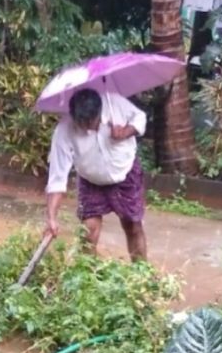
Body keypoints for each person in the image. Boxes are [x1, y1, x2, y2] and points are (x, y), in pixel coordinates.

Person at [44, 87, 148, 261]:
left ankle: (143, 276)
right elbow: (57, 177)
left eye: (90, 122)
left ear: (100, 112)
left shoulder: (114, 102)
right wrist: (51, 217)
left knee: (133, 226)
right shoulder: (64, 130)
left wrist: (126, 132)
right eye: (81, 123)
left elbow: (140, 118)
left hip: (125, 175)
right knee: (88, 232)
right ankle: (88, 281)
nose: (86, 128)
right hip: (90, 181)